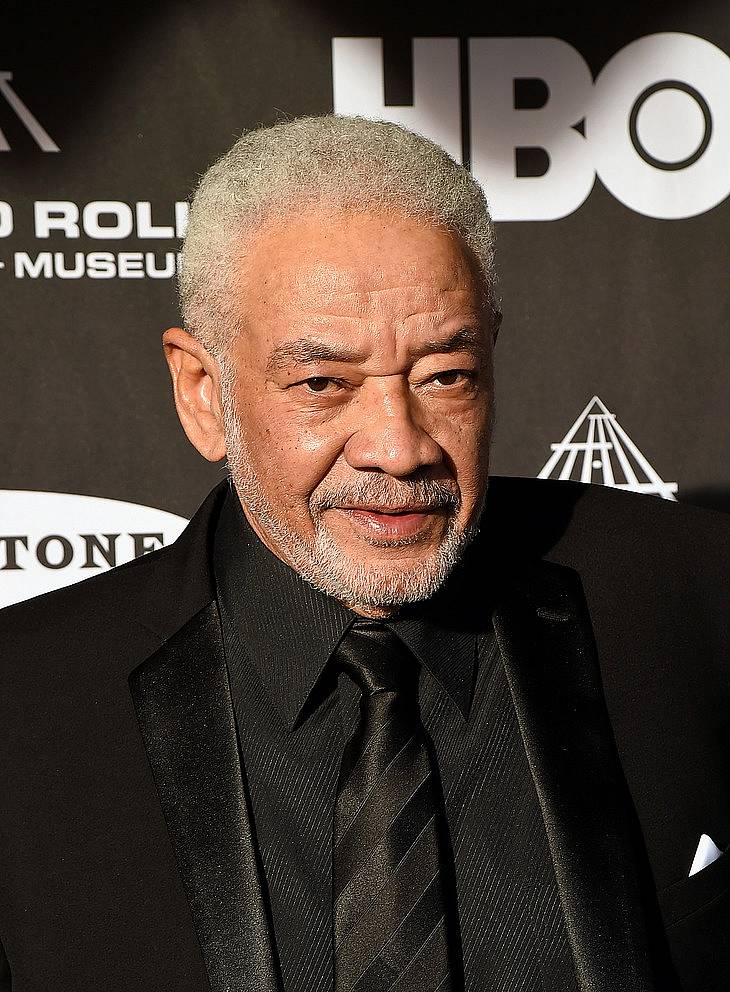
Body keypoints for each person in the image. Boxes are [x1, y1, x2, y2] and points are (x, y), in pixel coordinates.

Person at [0, 115, 727, 992]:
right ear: (203, 393)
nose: (399, 445)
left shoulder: (694, 593)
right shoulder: (27, 709)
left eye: (445, 377)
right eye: (323, 385)